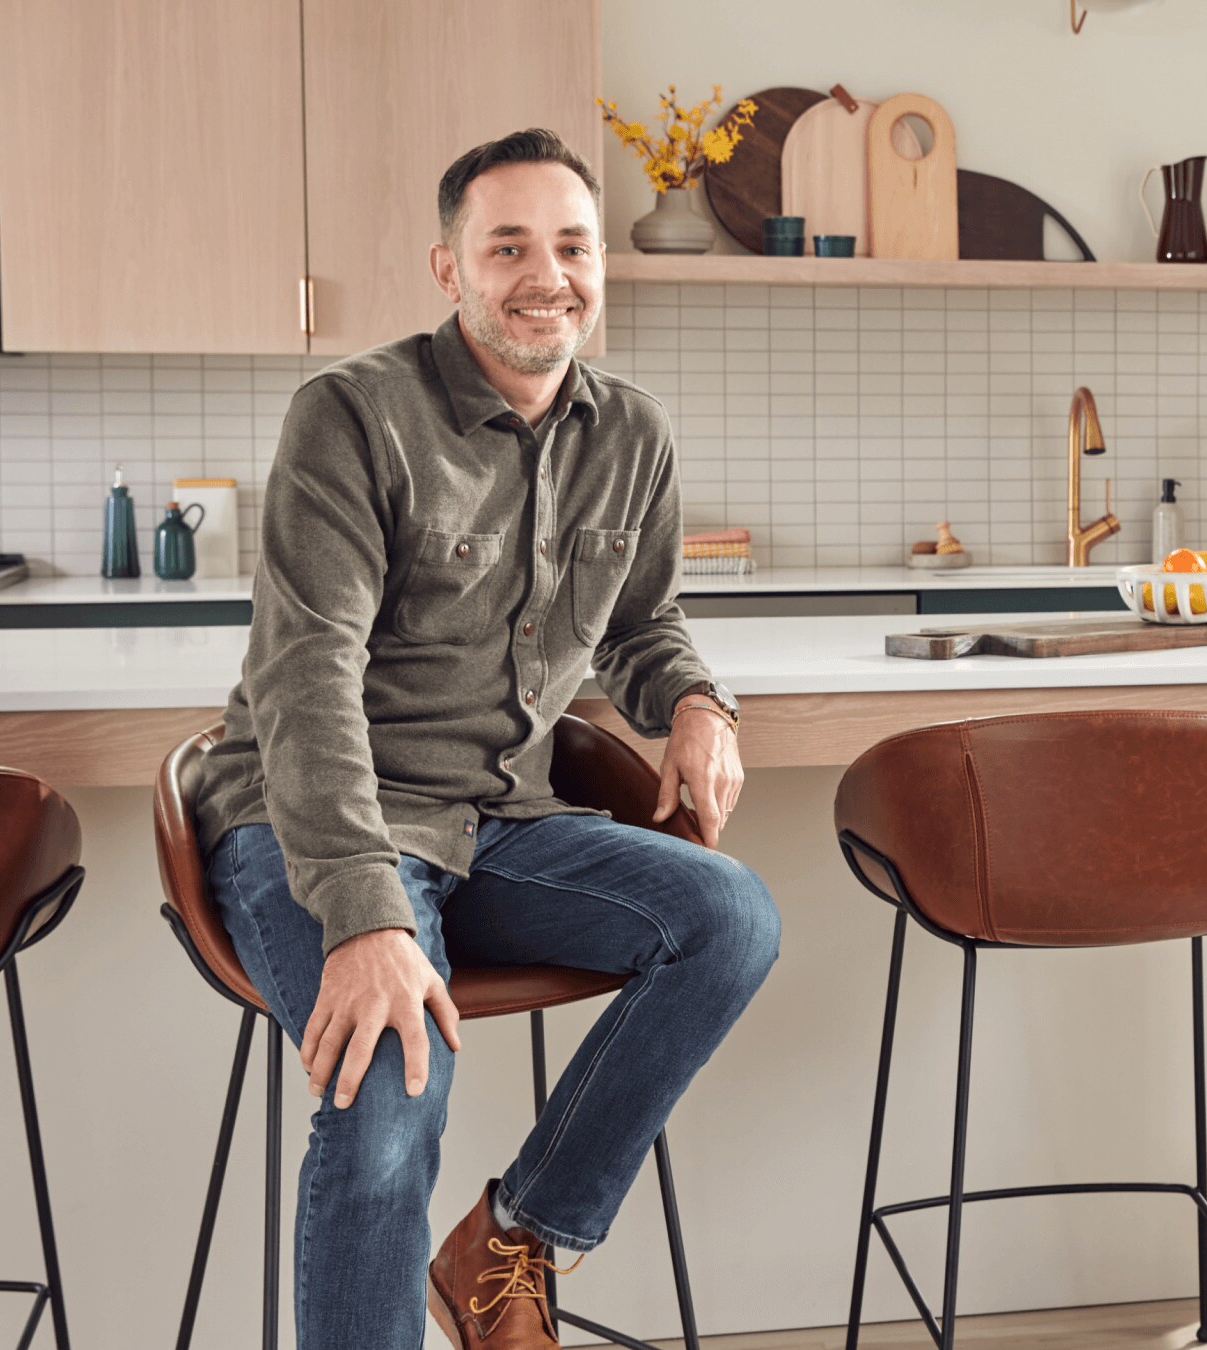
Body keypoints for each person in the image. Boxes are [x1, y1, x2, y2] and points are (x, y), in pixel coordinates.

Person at [193, 127, 778, 1350]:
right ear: (447, 268)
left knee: (729, 918)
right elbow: (306, 678)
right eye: (507, 246)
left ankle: (511, 1239)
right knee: (394, 1076)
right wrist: (364, 919)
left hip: (498, 826)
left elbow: (642, 621)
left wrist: (694, 703)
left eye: (570, 244)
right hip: (316, 824)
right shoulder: (352, 415)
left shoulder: (635, 435)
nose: (545, 275)